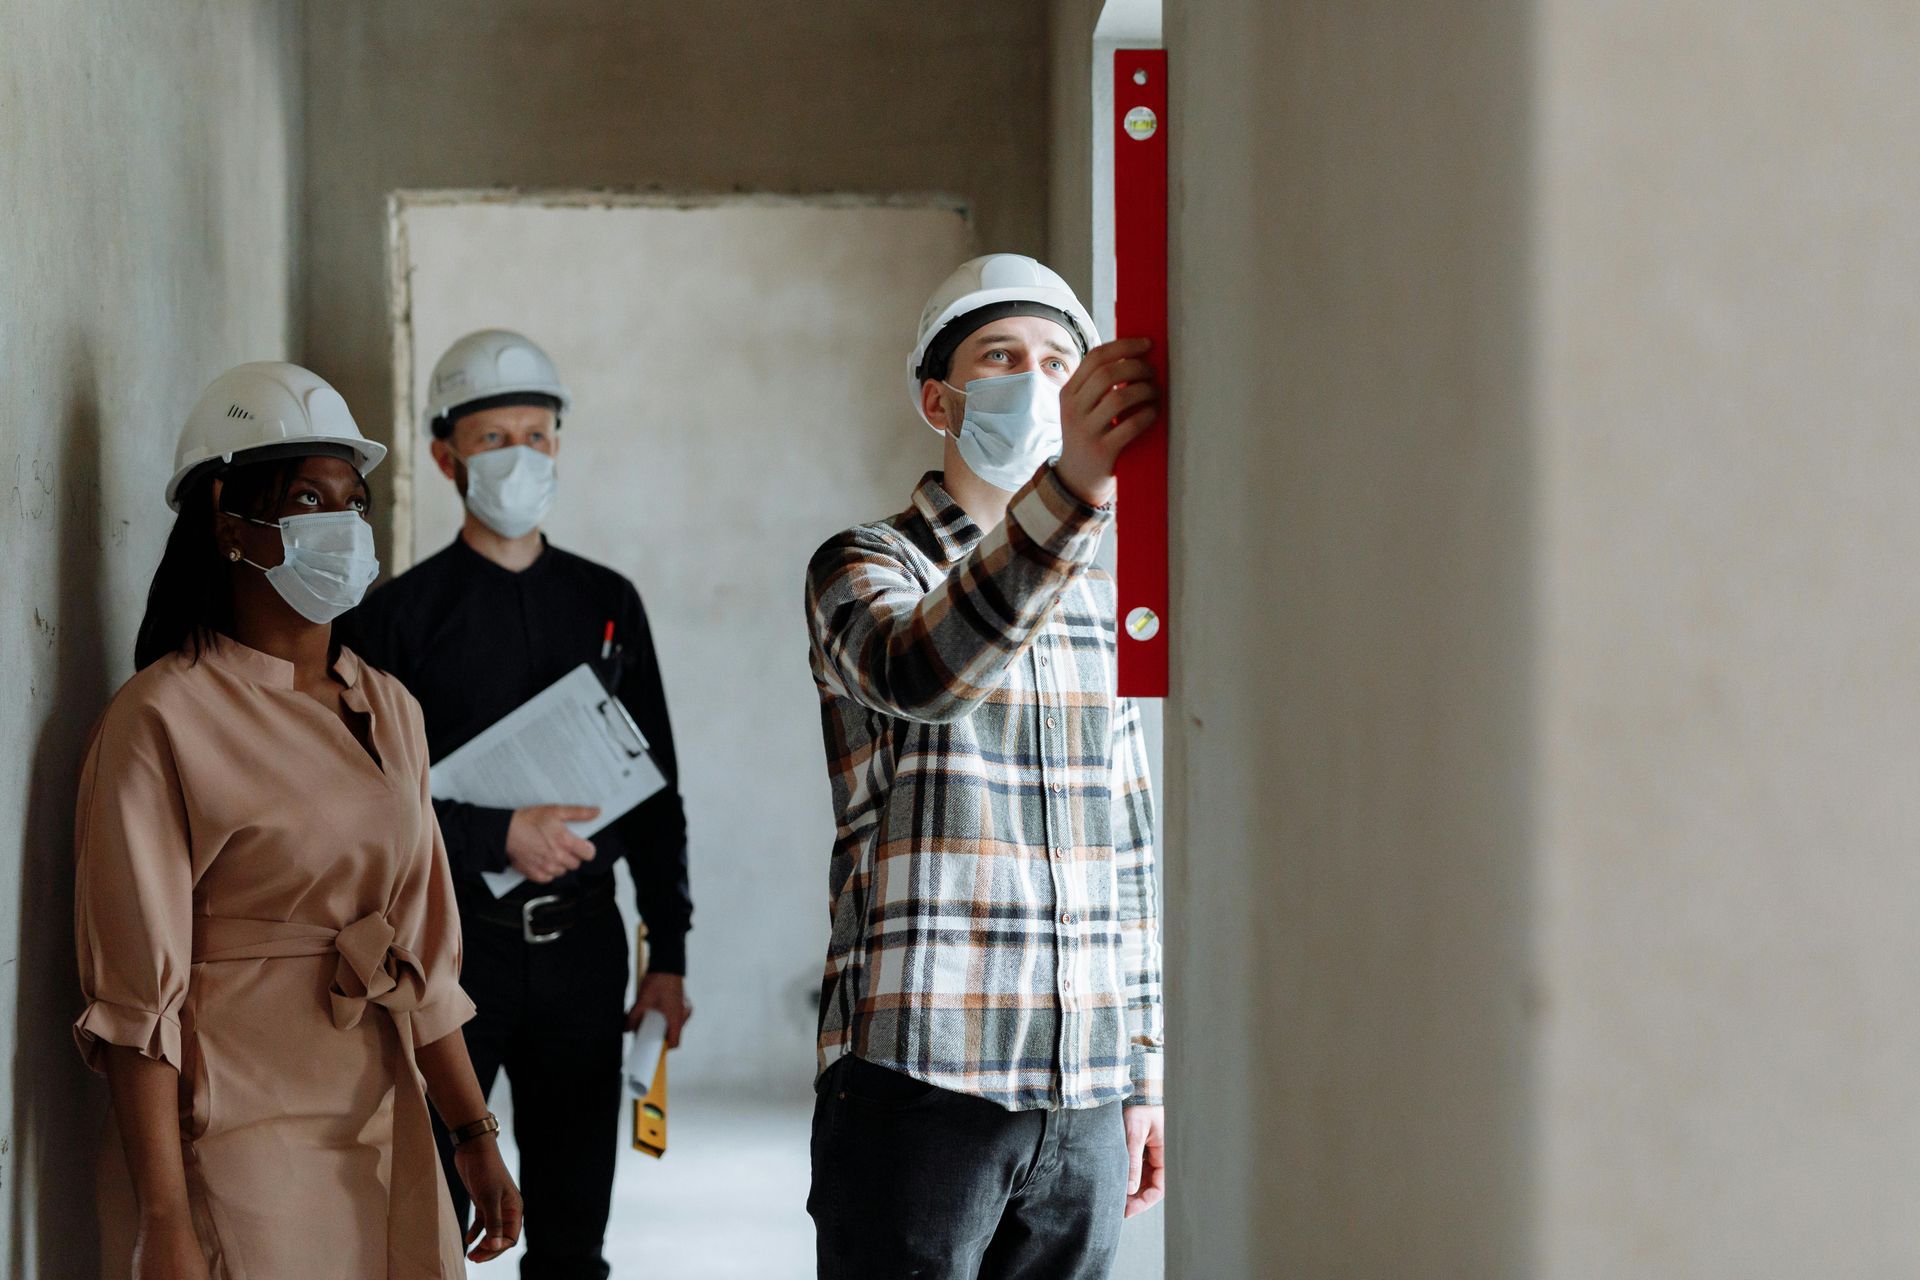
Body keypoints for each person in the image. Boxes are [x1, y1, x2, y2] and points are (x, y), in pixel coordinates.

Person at [73, 362, 520, 1279]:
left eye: (353, 503)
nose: (346, 529)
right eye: (311, 501)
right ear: (229, 519)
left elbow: (423, 954)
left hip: (386, 1110)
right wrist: (164, 1219)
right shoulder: (162, 717)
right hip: (240, 1127)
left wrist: (471, 1129)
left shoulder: (390, 706)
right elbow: (135, 1004)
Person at [802, 254, 1167, 1279]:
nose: (1038, 378)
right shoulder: (864, 564)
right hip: (922, 1078)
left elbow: (1131, 841)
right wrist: (1076, 486)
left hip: (1085, 1088)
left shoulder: (1105, 589)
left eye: (1060, 359)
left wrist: (1147, 1074)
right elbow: (923, 671)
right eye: (1002, 356)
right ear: (941, 398)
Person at [340, 329, 693, 1280]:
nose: (521, 456)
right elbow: (363, 802)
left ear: (560, 446)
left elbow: (656, 788)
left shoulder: (606, 601)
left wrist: (670, 955)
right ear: (446, 455)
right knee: (430, 1216)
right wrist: (497, 834)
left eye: (538, 435)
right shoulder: (394, 619)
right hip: (453, 952)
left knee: (574, 1233)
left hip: (586, 947)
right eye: (496, 438)